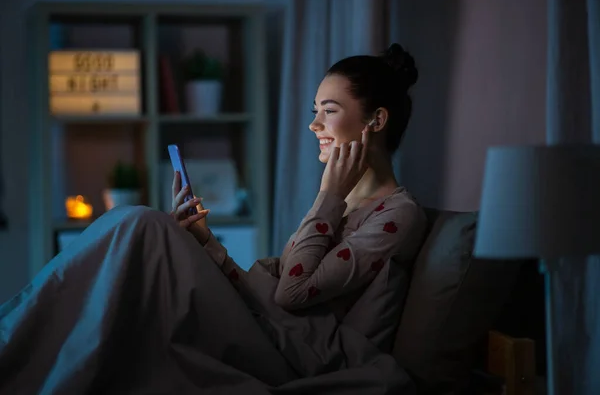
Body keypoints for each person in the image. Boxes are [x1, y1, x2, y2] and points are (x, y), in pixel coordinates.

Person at [0, 43, 427, 395]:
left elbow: (292, 294)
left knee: (141, 225)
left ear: (376, 121)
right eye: (315, 110)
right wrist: (208, 244)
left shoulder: (397, 215)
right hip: (269, 329)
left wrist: (329, 196)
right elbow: (277, 295)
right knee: (148, 230)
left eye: (328, 110)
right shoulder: (340, 205)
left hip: (297, 358)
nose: (314, 124)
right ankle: (16, 348)